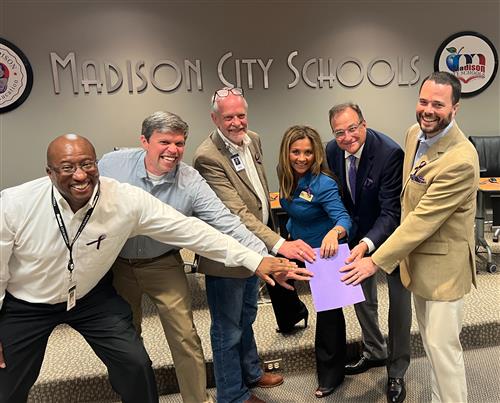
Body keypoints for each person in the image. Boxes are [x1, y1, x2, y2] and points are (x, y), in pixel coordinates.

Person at [0, 134, 311, 403]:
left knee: (135, 364)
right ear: (49, 172)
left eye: (87, 164)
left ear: (97, 163)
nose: (80, 175)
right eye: (67, 168)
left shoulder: (123, 199)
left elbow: (191, 231)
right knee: (9, 379)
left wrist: (255, 259)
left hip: (88, 297)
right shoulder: (15, 205)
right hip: (27, 303)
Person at [99, 111, 285, 403]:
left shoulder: (190, 180)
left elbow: (227, 221)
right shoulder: (112, 165)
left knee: (185, 338)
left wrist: (263, 256)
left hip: (162, 263)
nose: (173, 150)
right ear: (144, 141)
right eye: (165, 142)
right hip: (118, 264)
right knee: (126, 340)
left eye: (179, 143)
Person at [340, 72, 479, 403]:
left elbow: (421, 220)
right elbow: (406, 199)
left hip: (445, 269)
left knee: (444, 353)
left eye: (438, 105)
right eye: (423, 101)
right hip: (416, 261)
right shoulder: (414, 134)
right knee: (430, 345)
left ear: (455, 108)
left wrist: (375, 259)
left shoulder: (460, 160)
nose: (428, 110)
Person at [193, 88, 315, 403]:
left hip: (256, 251)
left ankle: (251, 372)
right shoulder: (207, 156)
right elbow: (236, 213)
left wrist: (269, 242)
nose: (236, 122)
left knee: (247, 315)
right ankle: (232, 395)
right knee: (227, 328)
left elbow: (258, 193)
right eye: (228, 117)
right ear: (214, 118)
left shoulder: (253, 139)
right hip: (228, 257)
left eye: (241, 115)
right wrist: (278, 244)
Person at [325, 103, 411, 403]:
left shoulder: (389, 153)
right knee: (361, 298)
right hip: (355, 236)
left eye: (352, 128)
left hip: (389, 237)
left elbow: (391, 212)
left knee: (399, 304)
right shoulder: (331, 151)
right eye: (339, 132)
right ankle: (375, 351)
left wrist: (367, 246)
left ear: (364, 123)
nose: (347, 137)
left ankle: (397, 370)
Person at [277, 125, 352, 398]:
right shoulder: (284, 174)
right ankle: (294, 314)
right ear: (287, 152)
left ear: (316, 153)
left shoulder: (324, 183)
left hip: (326, 250)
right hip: (298, 243)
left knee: (329, 312)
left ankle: (332, 375)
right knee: (274, 274)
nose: (301, 158)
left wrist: (335, 232)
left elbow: (344, 219)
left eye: (308, 152)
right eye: (295, 151)